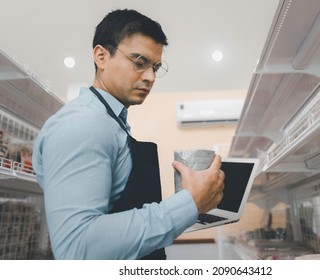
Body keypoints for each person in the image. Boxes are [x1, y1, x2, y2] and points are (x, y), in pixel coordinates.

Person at [32, 9, 224, 260]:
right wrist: (189, 204)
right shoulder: (83, 124)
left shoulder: (109, 123)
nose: (151, 77)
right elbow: (76, 248)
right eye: (139, 62)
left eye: (155, 67)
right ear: (101, 56)